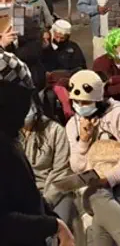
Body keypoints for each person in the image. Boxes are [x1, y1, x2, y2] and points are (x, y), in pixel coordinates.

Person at [64, 69, 120, 246]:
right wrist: (83, 141)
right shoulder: (73, 124)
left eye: (85, 102)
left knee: (101, 218)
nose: (80, 106)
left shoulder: (118, 113)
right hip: (96, 188)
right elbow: (77, 167)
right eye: (77, 102)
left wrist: (109, 178)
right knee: (101, 201)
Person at [1, 79, 76, 246]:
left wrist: (52, 219)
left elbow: (60, 171)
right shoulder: (6, 144)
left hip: (51, 193)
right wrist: (52, 225)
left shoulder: (13, 138)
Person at [21, 93, 76, 230]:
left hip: (55, 192)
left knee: (58, 228)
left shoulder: (55, 131)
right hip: (23, 194)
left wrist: (45, 202)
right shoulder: (9, 134)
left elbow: (62, 171)